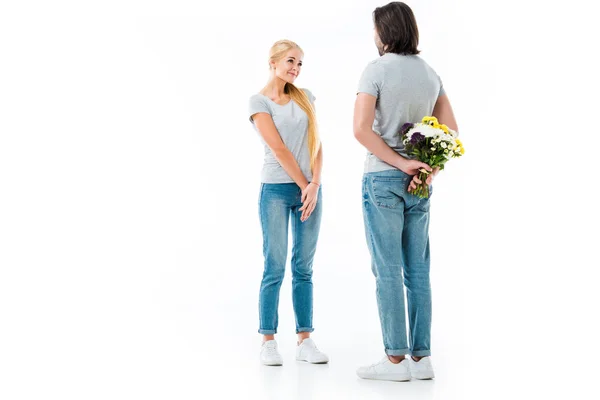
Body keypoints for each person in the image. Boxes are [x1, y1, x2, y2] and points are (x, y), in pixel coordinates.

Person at [353, 2, 459, 381]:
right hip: (420, 184)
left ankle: (395, 360)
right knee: (418, 270)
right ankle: (422, 359)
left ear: (384, 32)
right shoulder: (431, 74)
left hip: (383, 177)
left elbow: (362, 129)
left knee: (387, 270)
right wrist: (426, 167)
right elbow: (451, 133)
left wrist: (400, 163)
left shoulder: (375, 70)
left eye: (375, 31)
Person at [248, 39, 329, 366]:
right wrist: (304, 185)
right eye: (291, 61)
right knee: (275, 265)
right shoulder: (258, 102)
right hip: (277, 192)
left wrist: (315, 184)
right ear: (274, 62)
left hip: (310, 189)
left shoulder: (305, 97)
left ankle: (305, 339)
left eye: (300, 64)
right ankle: (268, 340)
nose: (296, 68)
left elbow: (317, 142)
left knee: (303, 267)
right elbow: (279, 149)